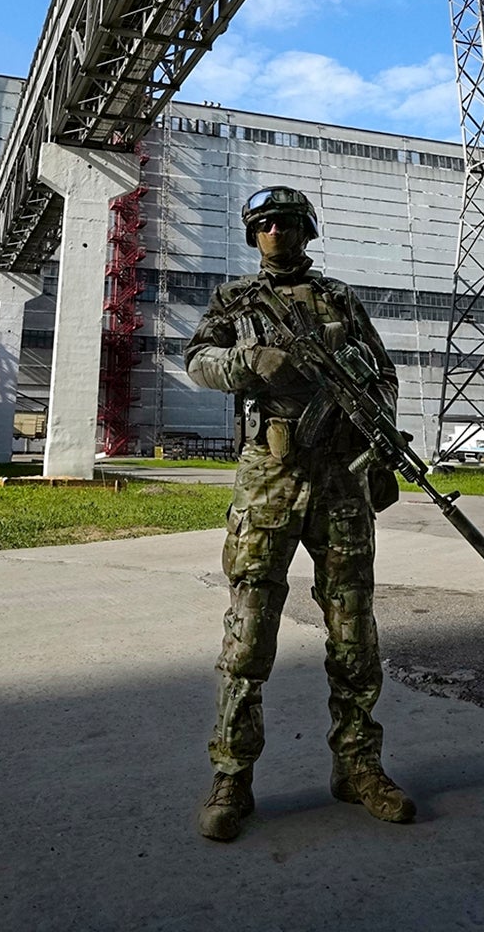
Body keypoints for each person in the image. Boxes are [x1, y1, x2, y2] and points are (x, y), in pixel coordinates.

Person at [184, 185, 415, 843]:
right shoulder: (235, 301)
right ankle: (232, 775)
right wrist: (245, 362)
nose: (276, 233)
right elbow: (196, 361)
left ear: (307, 231)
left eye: (287, 223)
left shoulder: (340, 299)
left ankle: (359, 765)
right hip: (269, 482)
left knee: (354, 633)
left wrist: (380, 448)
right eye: (264, 225)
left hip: (341, 481)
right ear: (252, 236)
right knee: (249, 633)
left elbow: (381, 377)